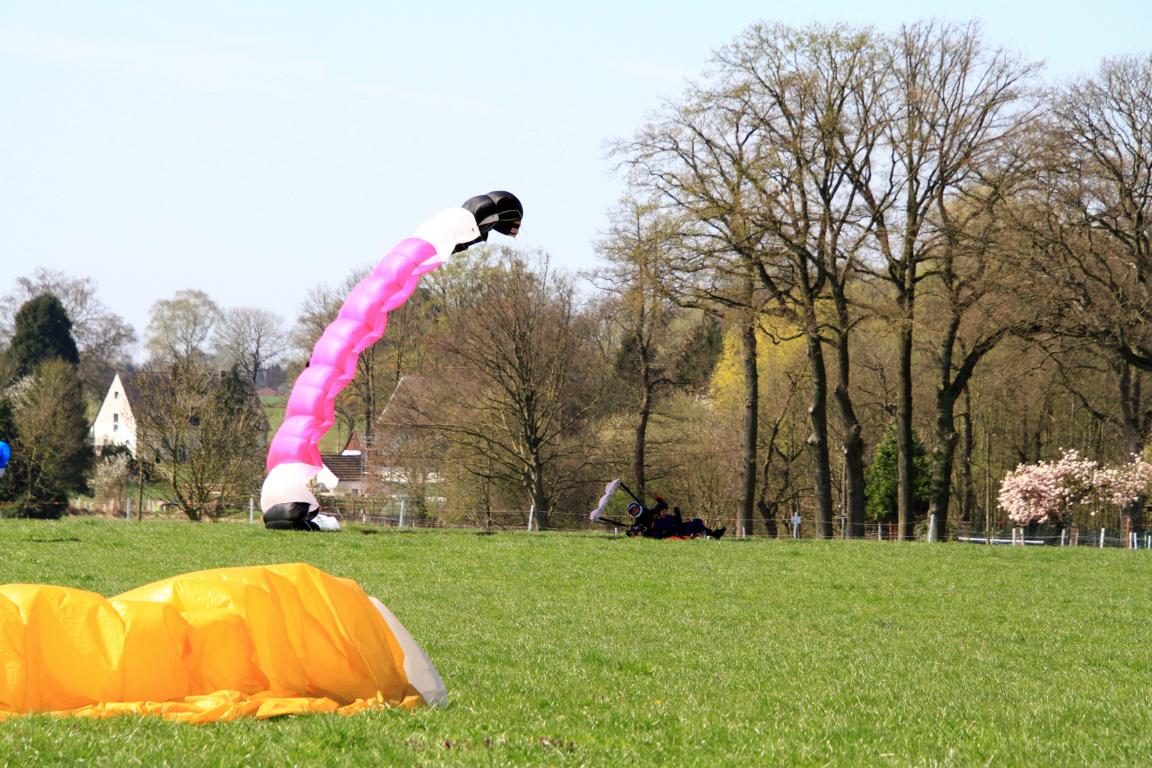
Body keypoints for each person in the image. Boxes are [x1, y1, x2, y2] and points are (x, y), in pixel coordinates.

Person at [626, 494, 725, 540]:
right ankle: (706, 537)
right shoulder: (646, 522)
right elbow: (636, 532)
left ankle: (714, 535)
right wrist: (632, 533)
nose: (636, 512)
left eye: (636, 509)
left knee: (697, 522)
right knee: (692, 526)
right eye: (633, 512)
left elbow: (663, 506)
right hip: (675, 531)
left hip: (678, 527)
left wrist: (658, 498)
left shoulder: (656, 514)